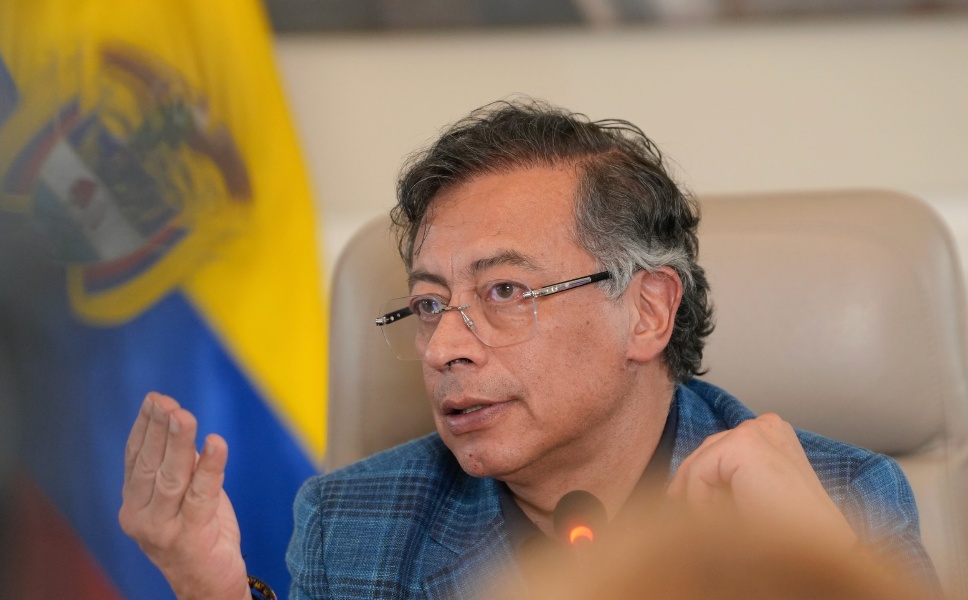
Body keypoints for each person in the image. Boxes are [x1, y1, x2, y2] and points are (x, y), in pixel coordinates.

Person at [119, 98, 939, 600]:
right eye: (430, 305)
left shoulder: (839, 502)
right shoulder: (355, 522)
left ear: (648, 312)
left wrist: (817, 575)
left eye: (505, 292)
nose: (444, 346)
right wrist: (213, 592)